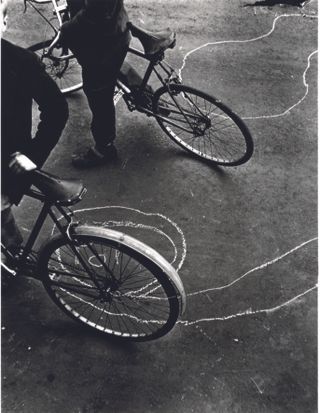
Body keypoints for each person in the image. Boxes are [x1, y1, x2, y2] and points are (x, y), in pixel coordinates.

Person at [1, 0, 69, 256]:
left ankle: (12, 254)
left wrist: (32, 155)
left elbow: (57, 109)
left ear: (4, 23)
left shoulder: (22, 63)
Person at [60, 0, 130, 168]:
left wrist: (68, 28)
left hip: (103, 43)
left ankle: (104, 148)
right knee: (109, 77)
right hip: (112, 31)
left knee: (99, 95)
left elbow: (98, 10)